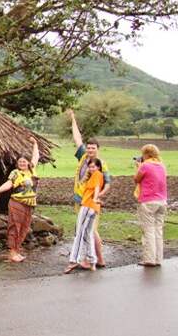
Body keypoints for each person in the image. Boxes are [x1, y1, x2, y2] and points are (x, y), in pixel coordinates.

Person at [68, 109, 111, 267]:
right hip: (80, 199)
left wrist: (99, 196)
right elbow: (77, 138)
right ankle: (98, 259)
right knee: (87, 229)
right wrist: (73, 118)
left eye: (93, 148)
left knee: (89, 230)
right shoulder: (83, 157)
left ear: (98, 149)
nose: (90, 150)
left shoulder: (101, 164)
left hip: (91, 201)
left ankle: (92, 258)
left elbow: (107, 183)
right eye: (89, 147)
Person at [0, 137, 40, 262]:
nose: (22, 164)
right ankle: (12, 252)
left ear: (28, 163)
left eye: (24, 162)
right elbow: (9, 184)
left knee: (24, 227)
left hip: (29, 205)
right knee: (15, 227)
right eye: (20, 162)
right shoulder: (15, 173)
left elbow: (36, 156)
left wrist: (35, 143)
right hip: (17, 203)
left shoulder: (32, 170)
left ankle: (17, 250)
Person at [65, 158, 104, 273]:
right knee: (88, 233)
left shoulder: (97, 175)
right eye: (90, 167)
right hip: (93, 207)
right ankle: (92, 261)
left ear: (98, 167)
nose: (91, 169)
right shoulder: (94, 176)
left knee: (80, 233)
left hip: (88, 206)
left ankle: (74, 260)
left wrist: (96, 198)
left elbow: (97, 188)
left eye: (94, 167)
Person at [134, 144, 167, 267]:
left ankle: (149, 259)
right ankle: (158, 258)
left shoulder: (145, 166)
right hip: (162, 201)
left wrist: (138, 167)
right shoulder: (162, 165)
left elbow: (136, 179)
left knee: (148, 230)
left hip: (148, 201)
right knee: (158, 230)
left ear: (146, 154)